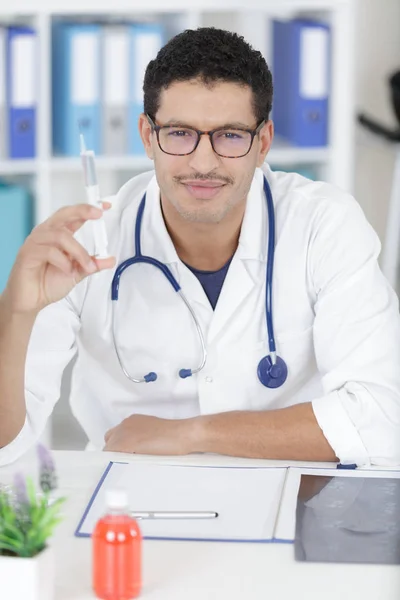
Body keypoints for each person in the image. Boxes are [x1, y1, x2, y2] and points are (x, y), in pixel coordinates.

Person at [0, 27, 399, 467]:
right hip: (128, 501)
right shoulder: (85, 242)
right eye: (179, 133)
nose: (203, 162)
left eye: (229, 135)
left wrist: (190, 434)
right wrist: (15, 312)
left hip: (294, 494)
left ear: (262, 142)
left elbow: (382, 421)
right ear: (148, 137)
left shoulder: (324, 226)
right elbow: (7, 446)